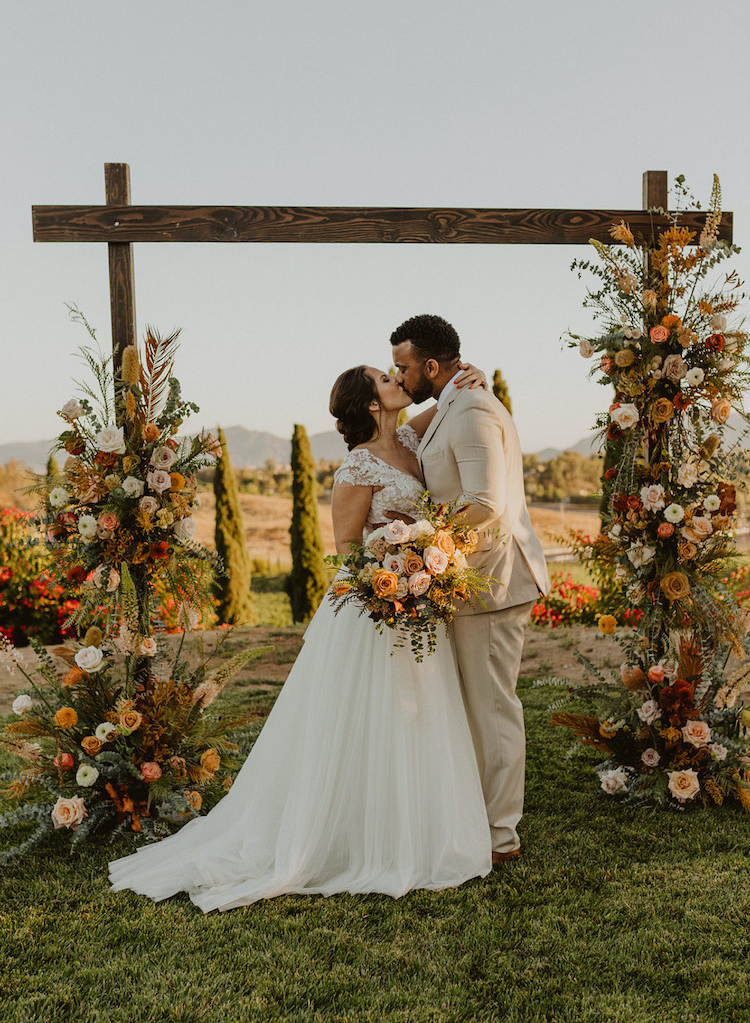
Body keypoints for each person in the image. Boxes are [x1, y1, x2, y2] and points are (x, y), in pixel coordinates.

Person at [108, 362, 492, 910]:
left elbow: (448, 398)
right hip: (374, 603)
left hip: (417, 596)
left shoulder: (410, 436)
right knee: (366, 716)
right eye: (386, 380)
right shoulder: (358, 467)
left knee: (418, 712)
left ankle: (418, 827)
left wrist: (466, 377)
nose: (398, 383)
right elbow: (346, 549)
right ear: (369, 404)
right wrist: (397, 577)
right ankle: (351, 834)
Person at [391, 315, 550, 864]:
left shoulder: (476, 408)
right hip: (466, 583)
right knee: (472, 707)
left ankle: (501, 835)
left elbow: (486, 501)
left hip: (494, 584)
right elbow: (413, 443)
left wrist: (423, 540)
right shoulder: (456, 403)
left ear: (430, 366)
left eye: (403, 368)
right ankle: (475, 817)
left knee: (491, 710)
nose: (400, 377)